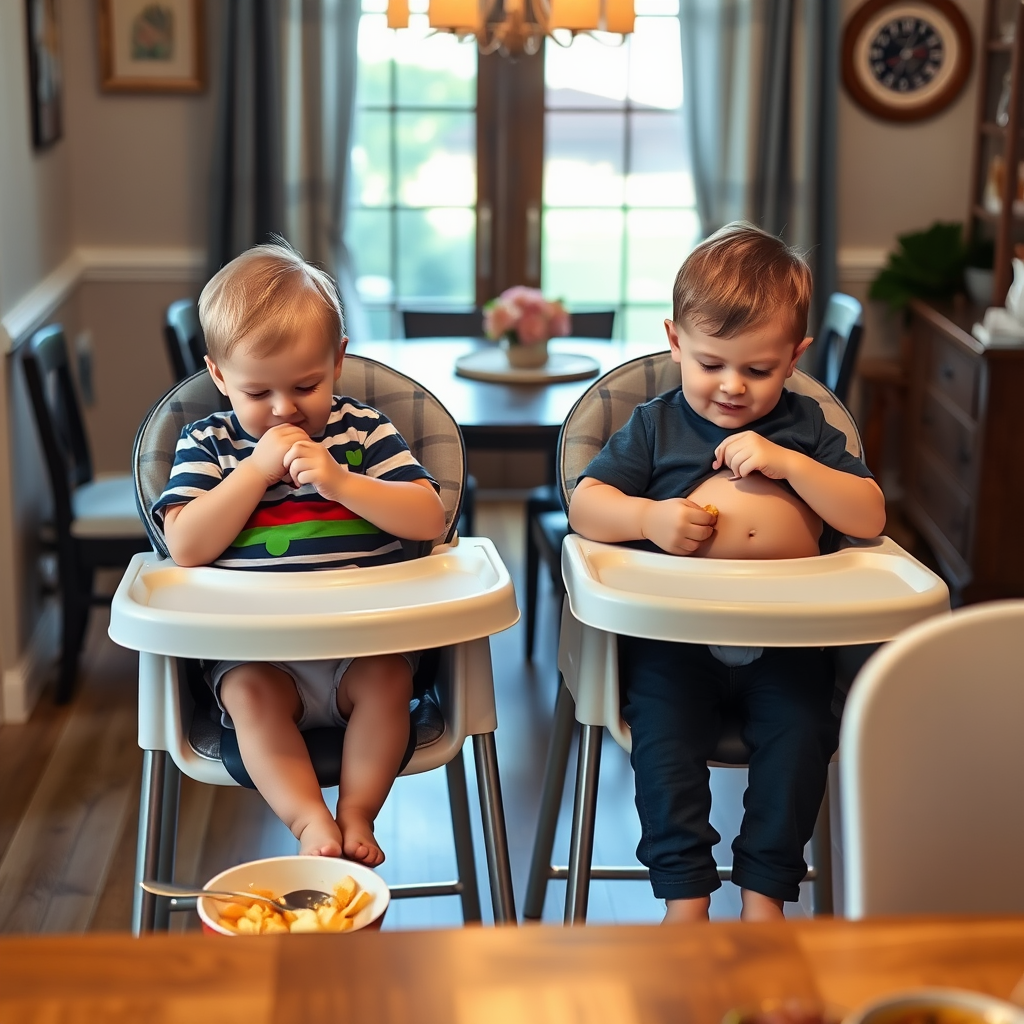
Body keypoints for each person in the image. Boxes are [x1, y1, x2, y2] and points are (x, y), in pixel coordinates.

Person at [568, 222, 886, 923]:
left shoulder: (808, 430)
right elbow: (587, 504)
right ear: (675, 341)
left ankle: (765, 893)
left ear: (796, 358)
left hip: (789, 644)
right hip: (676, 644)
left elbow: (867, 516)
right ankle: (684, 895)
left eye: (759, 370)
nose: (732, 387)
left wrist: (796, 467)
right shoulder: (656, 427)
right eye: (712, 364)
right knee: (664, 745)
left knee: (802, 735)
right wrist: (648, 519)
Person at [153, 242, 446, 864]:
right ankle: (310, 821)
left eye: (306, 385)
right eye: (259, 392)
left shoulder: (362, 431)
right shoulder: (206, 443)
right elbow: (185, 545)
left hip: (361, 645)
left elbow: (428, 519)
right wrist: (254, 473)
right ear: (219, 375)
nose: (285, 409)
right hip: (260, 655)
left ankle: (358, 815)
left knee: (391, 681)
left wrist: (341, 481)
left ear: (337, 362)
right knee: (251, 699)